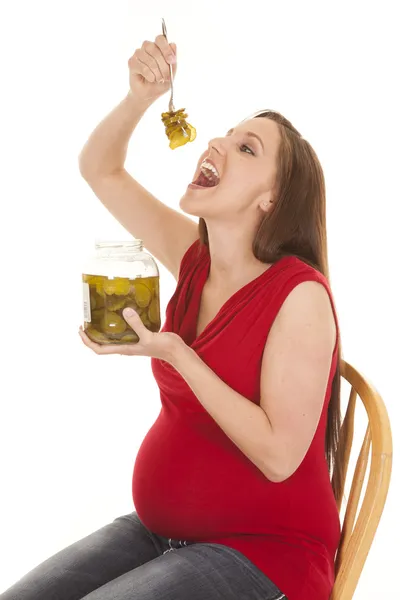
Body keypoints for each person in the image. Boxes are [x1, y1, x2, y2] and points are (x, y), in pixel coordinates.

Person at [1, 34, 344, 600]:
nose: (219, 143)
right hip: (161, 533)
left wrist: (178, 354)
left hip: (264, 553)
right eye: (227, 135)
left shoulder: (299, 295)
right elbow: (100, 169)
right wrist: (140, 97)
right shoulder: (195, 259)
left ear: (272, 200)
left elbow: (280, 456)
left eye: (248, 149)